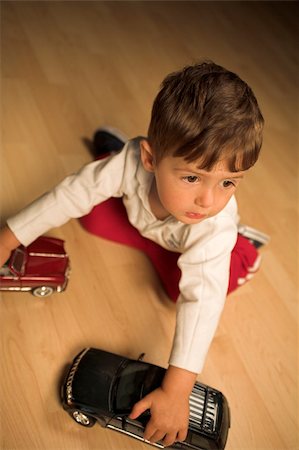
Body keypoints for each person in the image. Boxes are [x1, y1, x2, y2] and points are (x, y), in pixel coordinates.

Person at [0, 61, 264, 447]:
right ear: (150, 158)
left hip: (200, 247)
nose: (209, 200)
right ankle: (114, 154)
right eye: (192, 177)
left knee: (183, 289)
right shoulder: (132, 163)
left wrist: (177, 388)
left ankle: (248, 248)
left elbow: (201, 300)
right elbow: (71, 193)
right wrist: (8, 238)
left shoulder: (213, 222)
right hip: (152, 220)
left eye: (228, 182)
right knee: (89, 208)